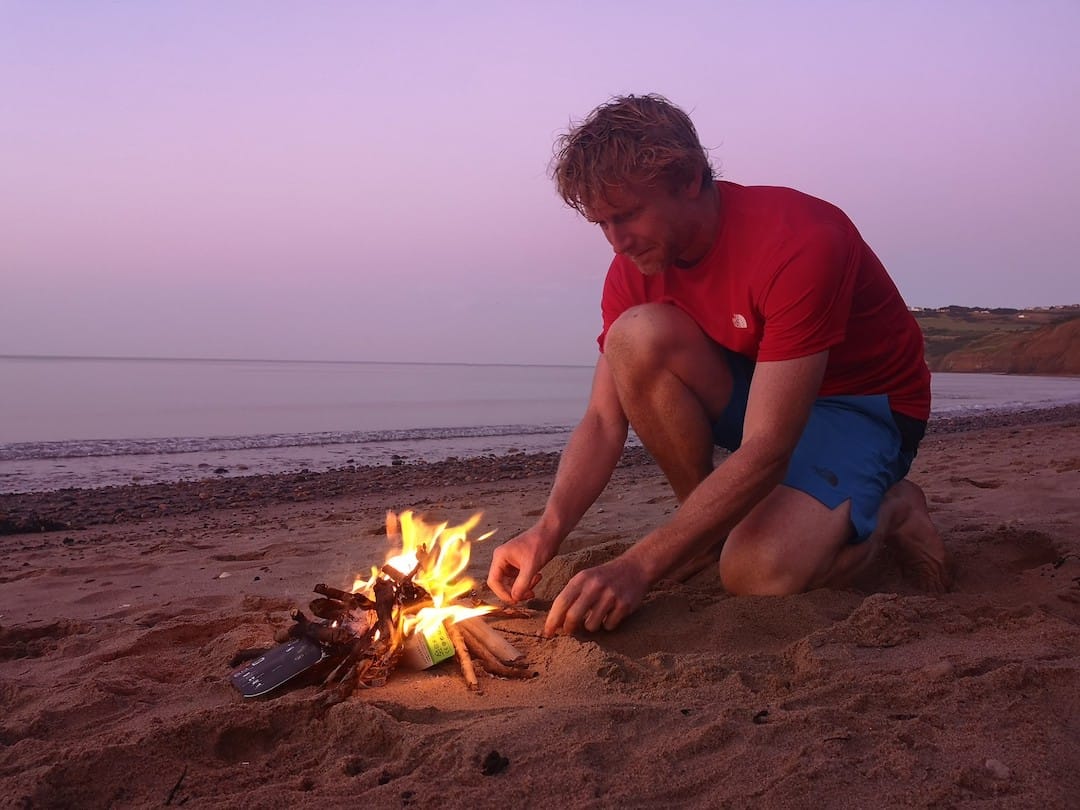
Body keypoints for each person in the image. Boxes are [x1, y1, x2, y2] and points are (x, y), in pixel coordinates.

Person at [486, 94, 951, 637]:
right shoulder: (634, 265)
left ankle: (894, 509)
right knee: (633, 337)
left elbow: (769, 447)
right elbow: (602, 421)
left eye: (629, 215)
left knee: (756, 573)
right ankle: (706, 531)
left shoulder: (799, 239)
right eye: (602, 224)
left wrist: (640, 565)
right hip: (761, 386)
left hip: (863, 406)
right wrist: (548, 529)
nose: (617, 242)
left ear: (689, 179)